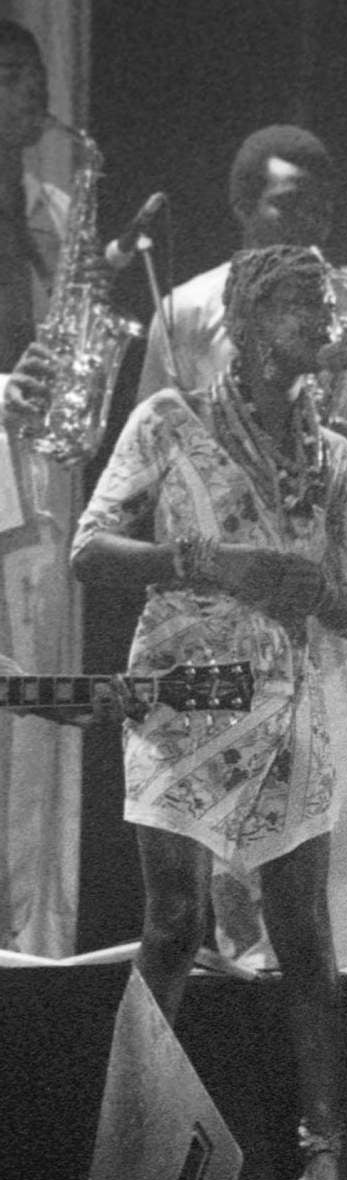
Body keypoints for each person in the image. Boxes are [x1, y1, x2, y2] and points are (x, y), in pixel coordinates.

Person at [69, 244, 347, 1180]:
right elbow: (88, 548)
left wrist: (320, 590)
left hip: (284, 701)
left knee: (305, 937)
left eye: (324, 314)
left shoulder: (335, 451)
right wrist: (201, 558)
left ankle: (321, 1149)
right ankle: (130, 1144)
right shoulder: (170, 420)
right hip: (182, 698)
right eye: (298, 310)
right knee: (174, 923)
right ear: (245, 317)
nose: (319, 332)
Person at [135, 123, 347, 972]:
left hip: (325, 588)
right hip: (225, 605)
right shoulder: (184, 306)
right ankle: (238, 966)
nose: (308, 218)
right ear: (244, 204)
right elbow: (151, 468)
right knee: (228, 802)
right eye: (289, 200)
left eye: (321, 202)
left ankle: (338, 962)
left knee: (333, 799)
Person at [0, 20, 83, 956]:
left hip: (37, 482)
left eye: (38, 77)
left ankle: (34, 944)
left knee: (36, 717)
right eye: (14, 76)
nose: (35, 94)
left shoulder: (51, 211)